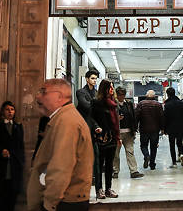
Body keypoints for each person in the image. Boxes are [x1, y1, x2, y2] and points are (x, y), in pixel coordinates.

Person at [27, 79, 93, 211]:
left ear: (58, 97)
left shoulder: (66, 122)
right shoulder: (60, 119)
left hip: (64, 203)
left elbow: (61, 168)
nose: (38, 96)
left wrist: (49, 204)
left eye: (43, 92)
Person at [0, 101, 25, 211]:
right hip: (0, 167)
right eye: (7, 109)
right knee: (0, 198)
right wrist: (0, 151)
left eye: (12, 109)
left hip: (14, 165)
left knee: (12, 198)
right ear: (3, 111)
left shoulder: (18, 126)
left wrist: (20, 160)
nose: (10, 112)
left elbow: (20, 146)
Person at [91, 80, 120, 199]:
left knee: (109, 165)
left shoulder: (114, 103)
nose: (112, 90)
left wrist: (118, 137)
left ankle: (108, 188)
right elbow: (91, 118)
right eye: (110, 88)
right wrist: (96, 127)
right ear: (104, 89)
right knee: (99, 165)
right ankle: (99, 189)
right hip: (101, 137)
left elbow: (116, 122)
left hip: (112, 136)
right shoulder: (96, 102)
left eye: (112, 87)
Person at [75, 69, 100, 194]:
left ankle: (95, 180)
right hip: (83, 127)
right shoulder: (81, 92)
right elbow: (86, 106)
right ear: (87, 79)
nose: (94, 81)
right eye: (92, 78)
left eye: (96, 79)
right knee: (83, 155)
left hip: (95, 127)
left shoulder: (97, 93)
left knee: (96, 155)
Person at [112, 87, 143, 179]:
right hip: (117, 132)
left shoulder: (128, 104)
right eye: (119, 94)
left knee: (130, 151)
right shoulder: (113, 104)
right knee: (116, 153)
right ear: (116, 94)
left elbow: (133, 117)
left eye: (123, 94)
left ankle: (134, 171)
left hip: (128, 132)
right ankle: (115, 171)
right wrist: (117, 119)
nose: (121, 96)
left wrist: (134, 130)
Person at [135, 90, 163, 170]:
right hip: (155, 129)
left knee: (143, 145)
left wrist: (135, 127)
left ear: (146, 95)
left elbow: (137, 116)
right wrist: (162, 128)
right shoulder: (158, 104)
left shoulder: (141, 104)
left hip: (144, 129)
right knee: (153, 147)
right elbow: (161, 117)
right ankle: (152, 164)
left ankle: (146, 155)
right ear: (154, 96)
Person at [163, 87, 183, 168]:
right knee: (179, 143)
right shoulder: (181, 103)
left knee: (172, 144)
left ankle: (174, 163)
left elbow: (165, 118)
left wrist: (164, 129)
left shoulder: (167, 105)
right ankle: (181, 154)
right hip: (180, 126)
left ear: (167, 94)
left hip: (171, 127)